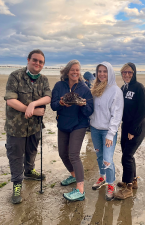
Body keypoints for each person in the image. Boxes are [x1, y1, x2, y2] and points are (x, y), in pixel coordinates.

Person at [4, 49, 52, 204]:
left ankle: (29, 171)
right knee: (16, 154)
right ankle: (17, 183)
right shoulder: (15, 76)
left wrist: (34, 103)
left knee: (32, 150)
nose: (37, 63)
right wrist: (29, 110)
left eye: (40, 62)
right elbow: (10, 100)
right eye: (35, 60)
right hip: (16, 126)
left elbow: (48, 97)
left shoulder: (43, 79)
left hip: (34, 126)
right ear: (28, 60)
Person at [51, 59, 94, 201]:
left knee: (74, 154)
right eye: (72, 70)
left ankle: (80, 190)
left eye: (77, 70)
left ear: (80, 72)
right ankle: (74, 175)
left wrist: (82, 104)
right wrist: (62, 103)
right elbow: (53, 105)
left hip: (79, 125)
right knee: (63, 153)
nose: (75, 72)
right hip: (63, 124)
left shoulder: (84, 89)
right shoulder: (59, 86)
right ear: (67, 71)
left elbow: (89, 111)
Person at [114, 62, 145, 200]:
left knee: (127, 156)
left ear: (134, 73)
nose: (127, 75)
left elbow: (144, 109)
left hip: (137, 127)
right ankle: (132, 180)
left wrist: (133, 130)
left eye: (129, 72)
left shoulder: (139, 87)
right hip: (126, 126)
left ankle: (128, 189)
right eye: (124, 73)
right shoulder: (123, 88)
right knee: (127, 154)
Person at [90, 62, 124, 201]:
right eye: (99, 71)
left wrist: (111, 134)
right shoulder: (95, 88)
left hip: (107, 132)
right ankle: (102, 177)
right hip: (95, 129)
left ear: (110, 73)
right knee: (99, 156)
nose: (102, 74)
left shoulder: (116, 91)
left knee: (107, 160)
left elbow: (116, 115)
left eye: (105, 71)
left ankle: (111, 184)